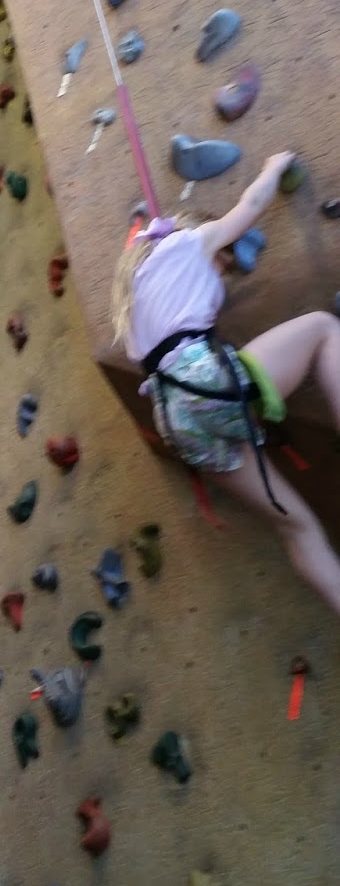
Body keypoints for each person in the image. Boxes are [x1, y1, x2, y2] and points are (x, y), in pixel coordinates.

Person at [111, 151, 340, 615]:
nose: (223, 272)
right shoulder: (188, 243)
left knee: (296, 525)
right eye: (225, 264)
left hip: (175, 418)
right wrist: (273, 169)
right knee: (322, 327)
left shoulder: (134, 308)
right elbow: (250, 206)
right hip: (206, 381)